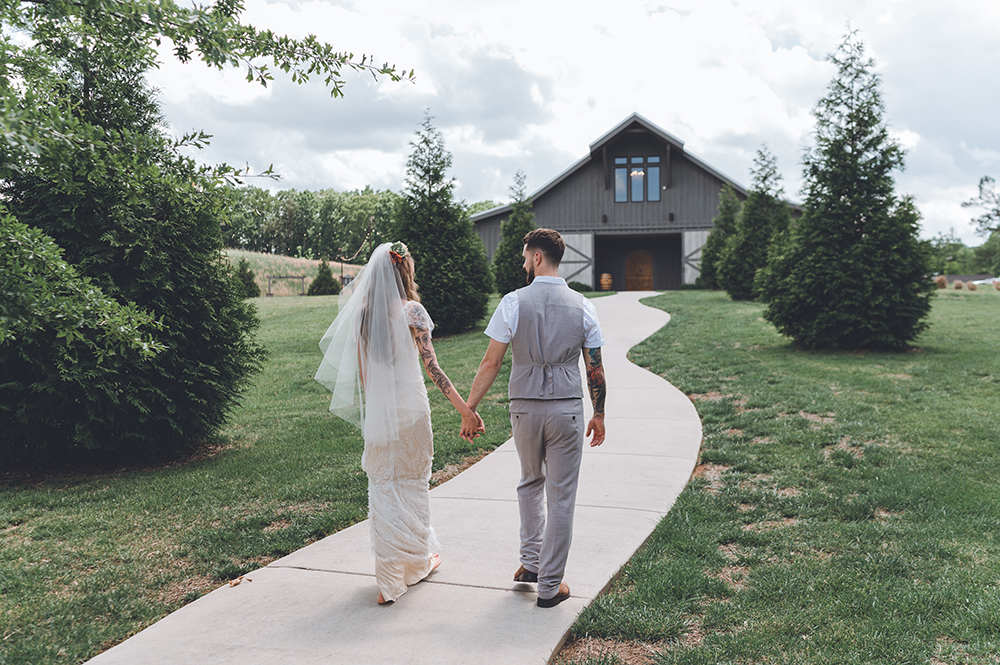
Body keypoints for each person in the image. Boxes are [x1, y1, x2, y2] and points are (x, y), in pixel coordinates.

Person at [315, 241, 478, 605]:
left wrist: (377, 413)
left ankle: (390, 577)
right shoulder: (413, 312)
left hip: (381, 411)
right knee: (414, 482)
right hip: (413, 409)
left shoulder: (362, 316)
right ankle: (417, 561)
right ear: (405, 271)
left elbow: (363, 375)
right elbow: (433, 369)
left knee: (384, 485)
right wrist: (465, 409)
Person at [461, 228, 606, 608]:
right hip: (566, 410)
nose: (524, 263)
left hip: (523, 408)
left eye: (526, 256)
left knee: (529, 482)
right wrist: (600, 413)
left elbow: (490, 361)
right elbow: (595, 369)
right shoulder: (583, 305)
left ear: (538, 257)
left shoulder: (513, 302)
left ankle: (530, 564)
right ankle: (549, 584)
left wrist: (470, 407)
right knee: (561, 495)